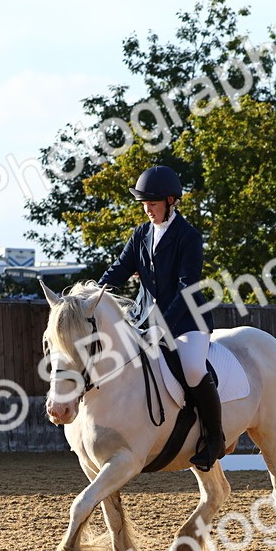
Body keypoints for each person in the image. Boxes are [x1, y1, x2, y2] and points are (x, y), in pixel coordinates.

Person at [98, 166, 225, 472]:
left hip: (186, 322)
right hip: (146, 320)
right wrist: (93, 294)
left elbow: (186, 287)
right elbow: (119, 269)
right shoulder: (141, 234)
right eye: (144, 205)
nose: (148, 210)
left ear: (171, 201)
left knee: (193, 370)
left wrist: (163, 327)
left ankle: (215, 438)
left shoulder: (188, 237)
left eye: (152, 204)